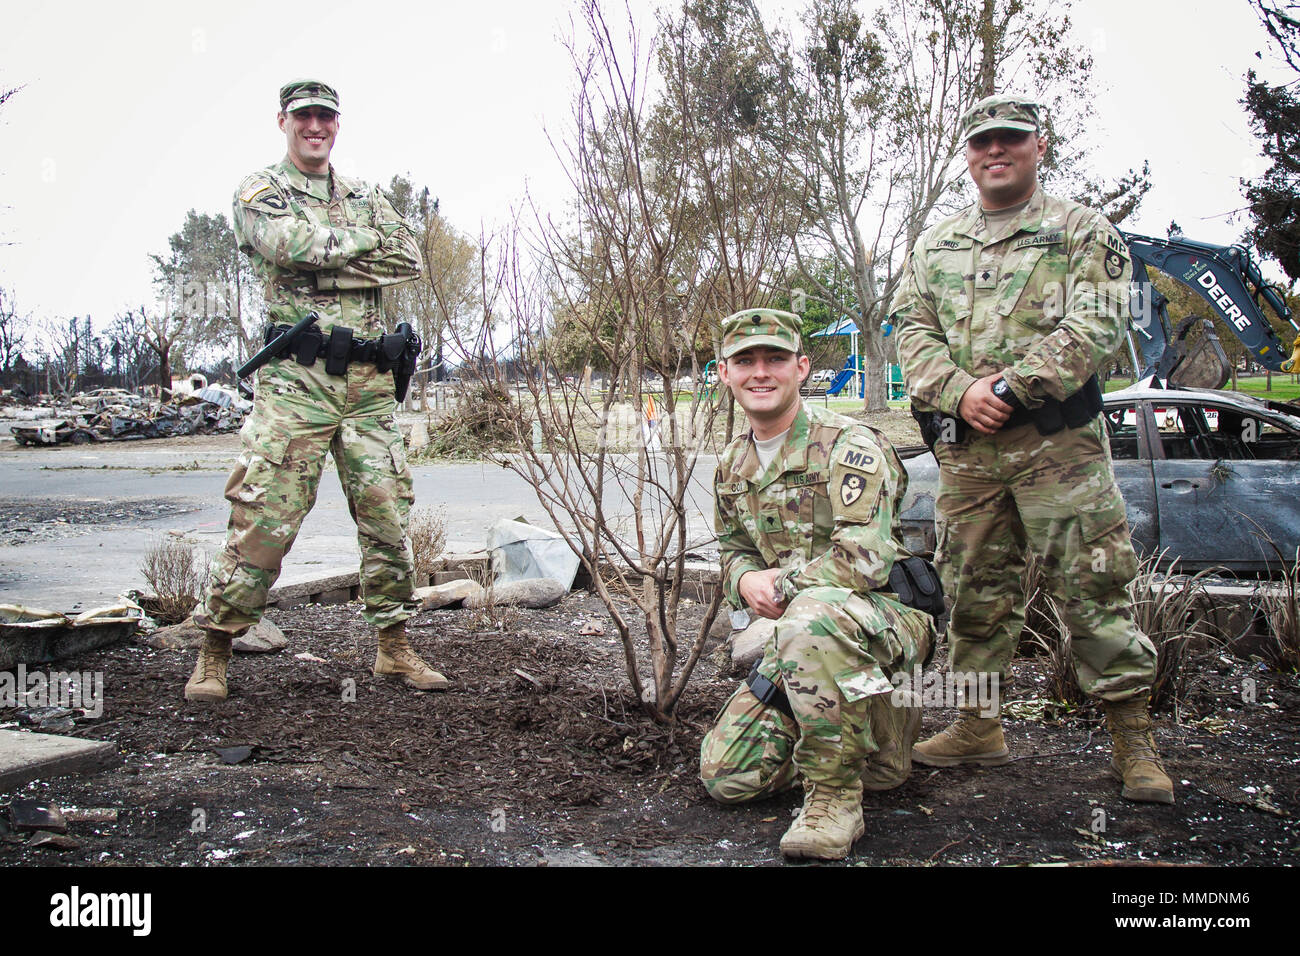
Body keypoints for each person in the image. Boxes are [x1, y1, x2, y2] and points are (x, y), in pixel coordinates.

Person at [891, 94, 1174, 803]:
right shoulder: (935, 245)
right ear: (968, 154)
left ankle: (1133, 743)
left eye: (1011, 139)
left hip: (1059, 453)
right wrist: (958, 392)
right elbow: (911, 333)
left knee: (1093, 589)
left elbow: (1100, 322)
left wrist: (1010, 390)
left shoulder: (1081, 230)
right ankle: (978, 728)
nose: (996, 151)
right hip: (968, 459)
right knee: (973, 595)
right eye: (983, 141)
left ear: (1037, 146)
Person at [185, 79, 445, 702]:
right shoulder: (260, 192)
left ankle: (393, 647)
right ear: (283, 121)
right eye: (304, 116)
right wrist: (357, 245)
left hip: (371, 386)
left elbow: (409, 255)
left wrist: (323, 254)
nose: (315, 127)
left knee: (387, 513)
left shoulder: (363, 194)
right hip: (298, 383)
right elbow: (282, 243)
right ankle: (216, 648)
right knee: (265, 516)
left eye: (325, 117)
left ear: (337, 124)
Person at [699, 308, 939, 861]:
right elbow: (734, 548)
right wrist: (743, 580)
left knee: (812, 615)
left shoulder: (849, 445)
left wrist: (778, 585)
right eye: (745, 361)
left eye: (776, 359)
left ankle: (835, 798)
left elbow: (864, 562)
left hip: (883, 620)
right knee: (727, 777)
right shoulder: (733, 463)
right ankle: (868, 729)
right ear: (724, 373)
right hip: (804, 639)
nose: (761, 372)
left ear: (802, 368)